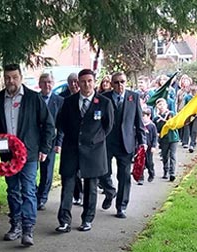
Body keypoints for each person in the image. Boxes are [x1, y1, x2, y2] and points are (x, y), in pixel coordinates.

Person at [0, 63, 54, 246]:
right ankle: (15, 225)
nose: (11, 81)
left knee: (28, 189)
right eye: (7, 78)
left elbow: (48, 124)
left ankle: (28, 228)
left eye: (14, 77)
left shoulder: (33, 98)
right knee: (13, 190)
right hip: (7, 152)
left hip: (29, 153)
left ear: (20, 77)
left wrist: (44, 149)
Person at [55, 69, 114, 232]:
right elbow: (60, 123)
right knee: (68, 184)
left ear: (94, 82)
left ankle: (87, 219)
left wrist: (94, 138)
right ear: (77, 83)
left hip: (93, 150)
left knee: (91, 186)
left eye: (89, 81)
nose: (86, 84)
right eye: (83, 81)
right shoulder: (69, 102)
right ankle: (64, 220)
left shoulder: (104, 103)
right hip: (71, 149)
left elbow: (108, 126)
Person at [99, 72, 146, 219]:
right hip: (107, 142)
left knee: (124, 176)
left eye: (122, 82)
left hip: (126, 143)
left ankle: (121, 206)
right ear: (112, 84)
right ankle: (110, 192)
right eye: (116, 82)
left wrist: (142, 141)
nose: (120, 85)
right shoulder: (103, 97)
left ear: (126, 82)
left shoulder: (134, 97)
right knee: (102, 172)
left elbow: (138, 121)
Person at [36, 73, 64, 211]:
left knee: (47, 171)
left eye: (50, 82)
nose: (47, 85)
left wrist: (59, 143)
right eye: (44, 82)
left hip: (51, 142)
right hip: (35, 141)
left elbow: (62, 125)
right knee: (32, 170)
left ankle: (42, 198)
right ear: (39, 84)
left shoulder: (59, 101)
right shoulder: (34, 99)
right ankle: (34, 194)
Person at [59, 72, 84, 205]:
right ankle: (77, 194)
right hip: (70, 142)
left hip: (87, 143)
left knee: (82, 172)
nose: (74, 85)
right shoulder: (63, 99)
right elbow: (61, 122)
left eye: (76, 81)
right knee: (71, 173)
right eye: (71, 82)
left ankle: (81, 194)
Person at [154, 98, 179, 181]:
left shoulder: (171, 114)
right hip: (163, 139)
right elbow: (155, 129)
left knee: (172, 155)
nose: (161, 107)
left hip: (173, 138)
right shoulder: (156, 118)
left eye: (163, 104)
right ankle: (166, 170)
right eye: (159, 105)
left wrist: (165, 120)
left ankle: (172, 173)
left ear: (166, 105)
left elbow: (174, 123)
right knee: (165, 156)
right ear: (157, 106)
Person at [137, 108, 158, 184]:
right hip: (141, 147)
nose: (142, 117)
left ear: (149, 116)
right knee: (140, 162)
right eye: (141, 116)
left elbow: (155, 137)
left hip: (149, 147)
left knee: (149, 162)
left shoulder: (152, 126)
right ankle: (140, 178)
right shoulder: (140, 125)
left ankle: (151, 173)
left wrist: (153, 146)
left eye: (144, 116)